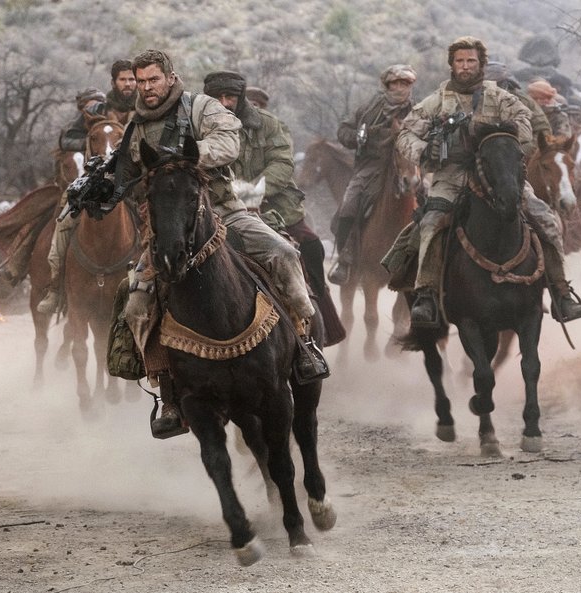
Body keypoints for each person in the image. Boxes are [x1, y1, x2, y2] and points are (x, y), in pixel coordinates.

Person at [113, 50, 328, 438]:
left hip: (223, 212)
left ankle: (304, 343)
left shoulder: (201, 107)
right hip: (170, 225)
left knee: (285, 253)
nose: (146, 88)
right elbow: (126, 169)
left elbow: (229, 142)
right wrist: (103, 183)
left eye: (153, 81)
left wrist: (185, 156)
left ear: (169, 78)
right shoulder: (136, 124)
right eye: (140, 82)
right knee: (137, 297)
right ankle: (167, 392)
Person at [396, 36, 581, 327]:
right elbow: (405, 135)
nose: (465, 66)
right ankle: (427, 295)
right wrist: (425, 150)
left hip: (501, 174)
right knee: (432, 222)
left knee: (546, 218)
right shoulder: (437, 101)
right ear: (452, 64)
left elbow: (527, 126)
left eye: (471, 61)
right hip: (452, 174)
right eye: (459, 61)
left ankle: (561, 293)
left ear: (481, 64)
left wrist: (504, 143)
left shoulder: (501, 98)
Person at [202, 71, 330, 312]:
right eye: (217, 97)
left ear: (240, 97)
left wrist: (253, 192)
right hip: (217, 203)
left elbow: (282, 163)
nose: (224, 102)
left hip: (274, 202)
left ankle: (315, 316)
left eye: (230, 96)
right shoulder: (198, 126)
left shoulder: (268, 124)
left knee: (312, 246)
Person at [37, 61, 137, 315]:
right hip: (96, 182)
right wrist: (97, 139)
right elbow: (66, 138)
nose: (129, 84)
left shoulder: (145, 108)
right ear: (114, 82)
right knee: (63, 223)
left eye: (132, 80)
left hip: (135, 183)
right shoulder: (98, 109)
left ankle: (152, 293)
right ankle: (55, 288)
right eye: (123, 80)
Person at [329, 64, 417, 285]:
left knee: (436, 207)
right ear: (387, 85)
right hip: (371, 167)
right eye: (395, 83)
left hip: (409, 167)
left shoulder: (419, 112)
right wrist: (361, 136)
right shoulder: (370, 109)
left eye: (404, 83)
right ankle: (345, 259)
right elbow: (344, 131)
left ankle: (428, 265)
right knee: (347, 207)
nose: (400, 88)